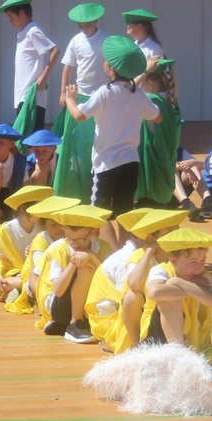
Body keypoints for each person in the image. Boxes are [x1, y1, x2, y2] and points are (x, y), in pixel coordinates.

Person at [65, 35, 161, 244]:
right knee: (124, 212)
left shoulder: (104, 93)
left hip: (107, 163)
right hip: (131, 162)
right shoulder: (137, 94)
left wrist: (70, 99)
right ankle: (124, 253)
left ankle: (113, 253)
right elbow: (157, 115)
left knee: (98, 213)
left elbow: (79, 116)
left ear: (110, 68)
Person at [123, 228, 212, 379]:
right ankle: (178, 354)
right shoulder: (162, 270)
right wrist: (193, 289)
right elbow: (155, 292)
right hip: (159, 340)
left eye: (203, 261)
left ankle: (198, 378)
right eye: (193, 262)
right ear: (173, 260)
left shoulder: (202, 276)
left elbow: (211, 301)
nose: (199, 266)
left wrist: (179, 283)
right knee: (169, 298)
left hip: (197, 345)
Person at [85, 208, 184, 349]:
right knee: (132, 296)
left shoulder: (174, 255)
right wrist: (150, 251)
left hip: (151, 309)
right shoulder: (129, 258)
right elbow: (131, 292)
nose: (176, 236)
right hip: (113, 319)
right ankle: (136, 344)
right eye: (170, 231)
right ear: (149, 237)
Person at [35, 204, 113, 340]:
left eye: (81, 239)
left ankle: (67, 323)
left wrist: (91, 256)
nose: (76, 244)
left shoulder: (103, 247)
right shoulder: (58, 248)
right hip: (58, 304)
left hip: (90, 298)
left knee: (89, 267)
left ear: (92, 233)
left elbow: (108, 280)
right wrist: (73, 263)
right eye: (71, 239)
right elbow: (58, 290)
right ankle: (75, 322)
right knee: (84, 268)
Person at [53, 3, 106, 200]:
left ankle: (94, 187)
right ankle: (71, 188)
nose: (84, 28)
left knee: (95, 142)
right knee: (73, 143)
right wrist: (63, 92)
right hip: (79, 96)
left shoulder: (105, 39)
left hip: (99, 97)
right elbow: (68, 67)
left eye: (87, 25)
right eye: (80, 25)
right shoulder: (76, 40)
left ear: (95, 21)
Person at [3, 194, 78, 316]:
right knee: (27, 283)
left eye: (62, 224)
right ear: (43, 225)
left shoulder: (69, 237)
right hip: (40, 278)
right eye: (53, 225)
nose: (59, 228)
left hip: (61, 276)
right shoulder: (41, 241)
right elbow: (42, 273)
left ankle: (16, 290)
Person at [0, 0, 59, 137]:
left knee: (31, 139)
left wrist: (44, 77)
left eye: (10, 16)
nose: (10, 21)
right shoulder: (23, 33)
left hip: (32, 95)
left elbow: (55, 50)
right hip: (23, 95)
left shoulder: (32, 31)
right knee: (24, 137)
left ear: (21, 13)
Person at [136, 57, 183, 207]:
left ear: (150, 83)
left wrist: (144, 71)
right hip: (165, 168)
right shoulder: (172, 103)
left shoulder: (151, 99)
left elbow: (125, 93)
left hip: (151, 172)